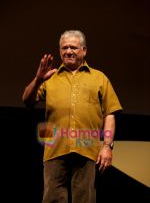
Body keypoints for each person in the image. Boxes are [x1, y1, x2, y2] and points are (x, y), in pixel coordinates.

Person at [22, 30, 123, 203]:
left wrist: (107, 146)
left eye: (73, 47)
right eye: (64, 47)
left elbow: (110, 114)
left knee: (85, 199)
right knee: (52, 198)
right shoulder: (49, 77)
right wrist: (38, 79)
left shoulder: (99, 78)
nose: (68, 51)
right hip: (55, 147)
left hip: (87, 146)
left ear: (84, 50)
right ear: (60, 51)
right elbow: (27, 101)